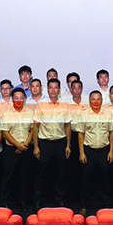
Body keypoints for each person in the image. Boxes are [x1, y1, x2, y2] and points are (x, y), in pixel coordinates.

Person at [33, 78, 72, 208]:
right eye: (51, 87)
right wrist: (36, 146)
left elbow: (68, 126)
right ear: (47, 89)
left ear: (59, 90)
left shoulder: (65, 105)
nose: (53, 90)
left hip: (60, 143)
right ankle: (38, 201)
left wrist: (68, 145)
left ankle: (60, 200)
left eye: (56, 87)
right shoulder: (41, 105)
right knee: (41, 174)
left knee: (61, 174)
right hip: (45, 144)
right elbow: (35, 127)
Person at [77, 90, 113, 216]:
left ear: (102, 101)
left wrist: (111, 151)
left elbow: (111, 133)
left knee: (106, 179)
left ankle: (107, 205)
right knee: (85, 179)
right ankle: (84, 206)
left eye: (98, 99)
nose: (96, 102)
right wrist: (81, 153)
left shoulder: (107, 114)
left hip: (104, 150)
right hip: (89, 150)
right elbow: (81, 134)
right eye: (93, 99)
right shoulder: (84, 114)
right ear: (89, 101)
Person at [1, 88, 34, 211]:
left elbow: (33, 130)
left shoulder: (30, 113)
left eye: (21, 98)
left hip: (26, 148)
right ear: (12, 99)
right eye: (16, 98)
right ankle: (5, 202)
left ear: (25, 99)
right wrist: (18, 145)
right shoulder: (6, 114)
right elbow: (5, 133)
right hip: (11, 149)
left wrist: (25, 144)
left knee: (24, 177)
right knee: (8, 177)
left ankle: (23, 202)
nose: (19, 100)